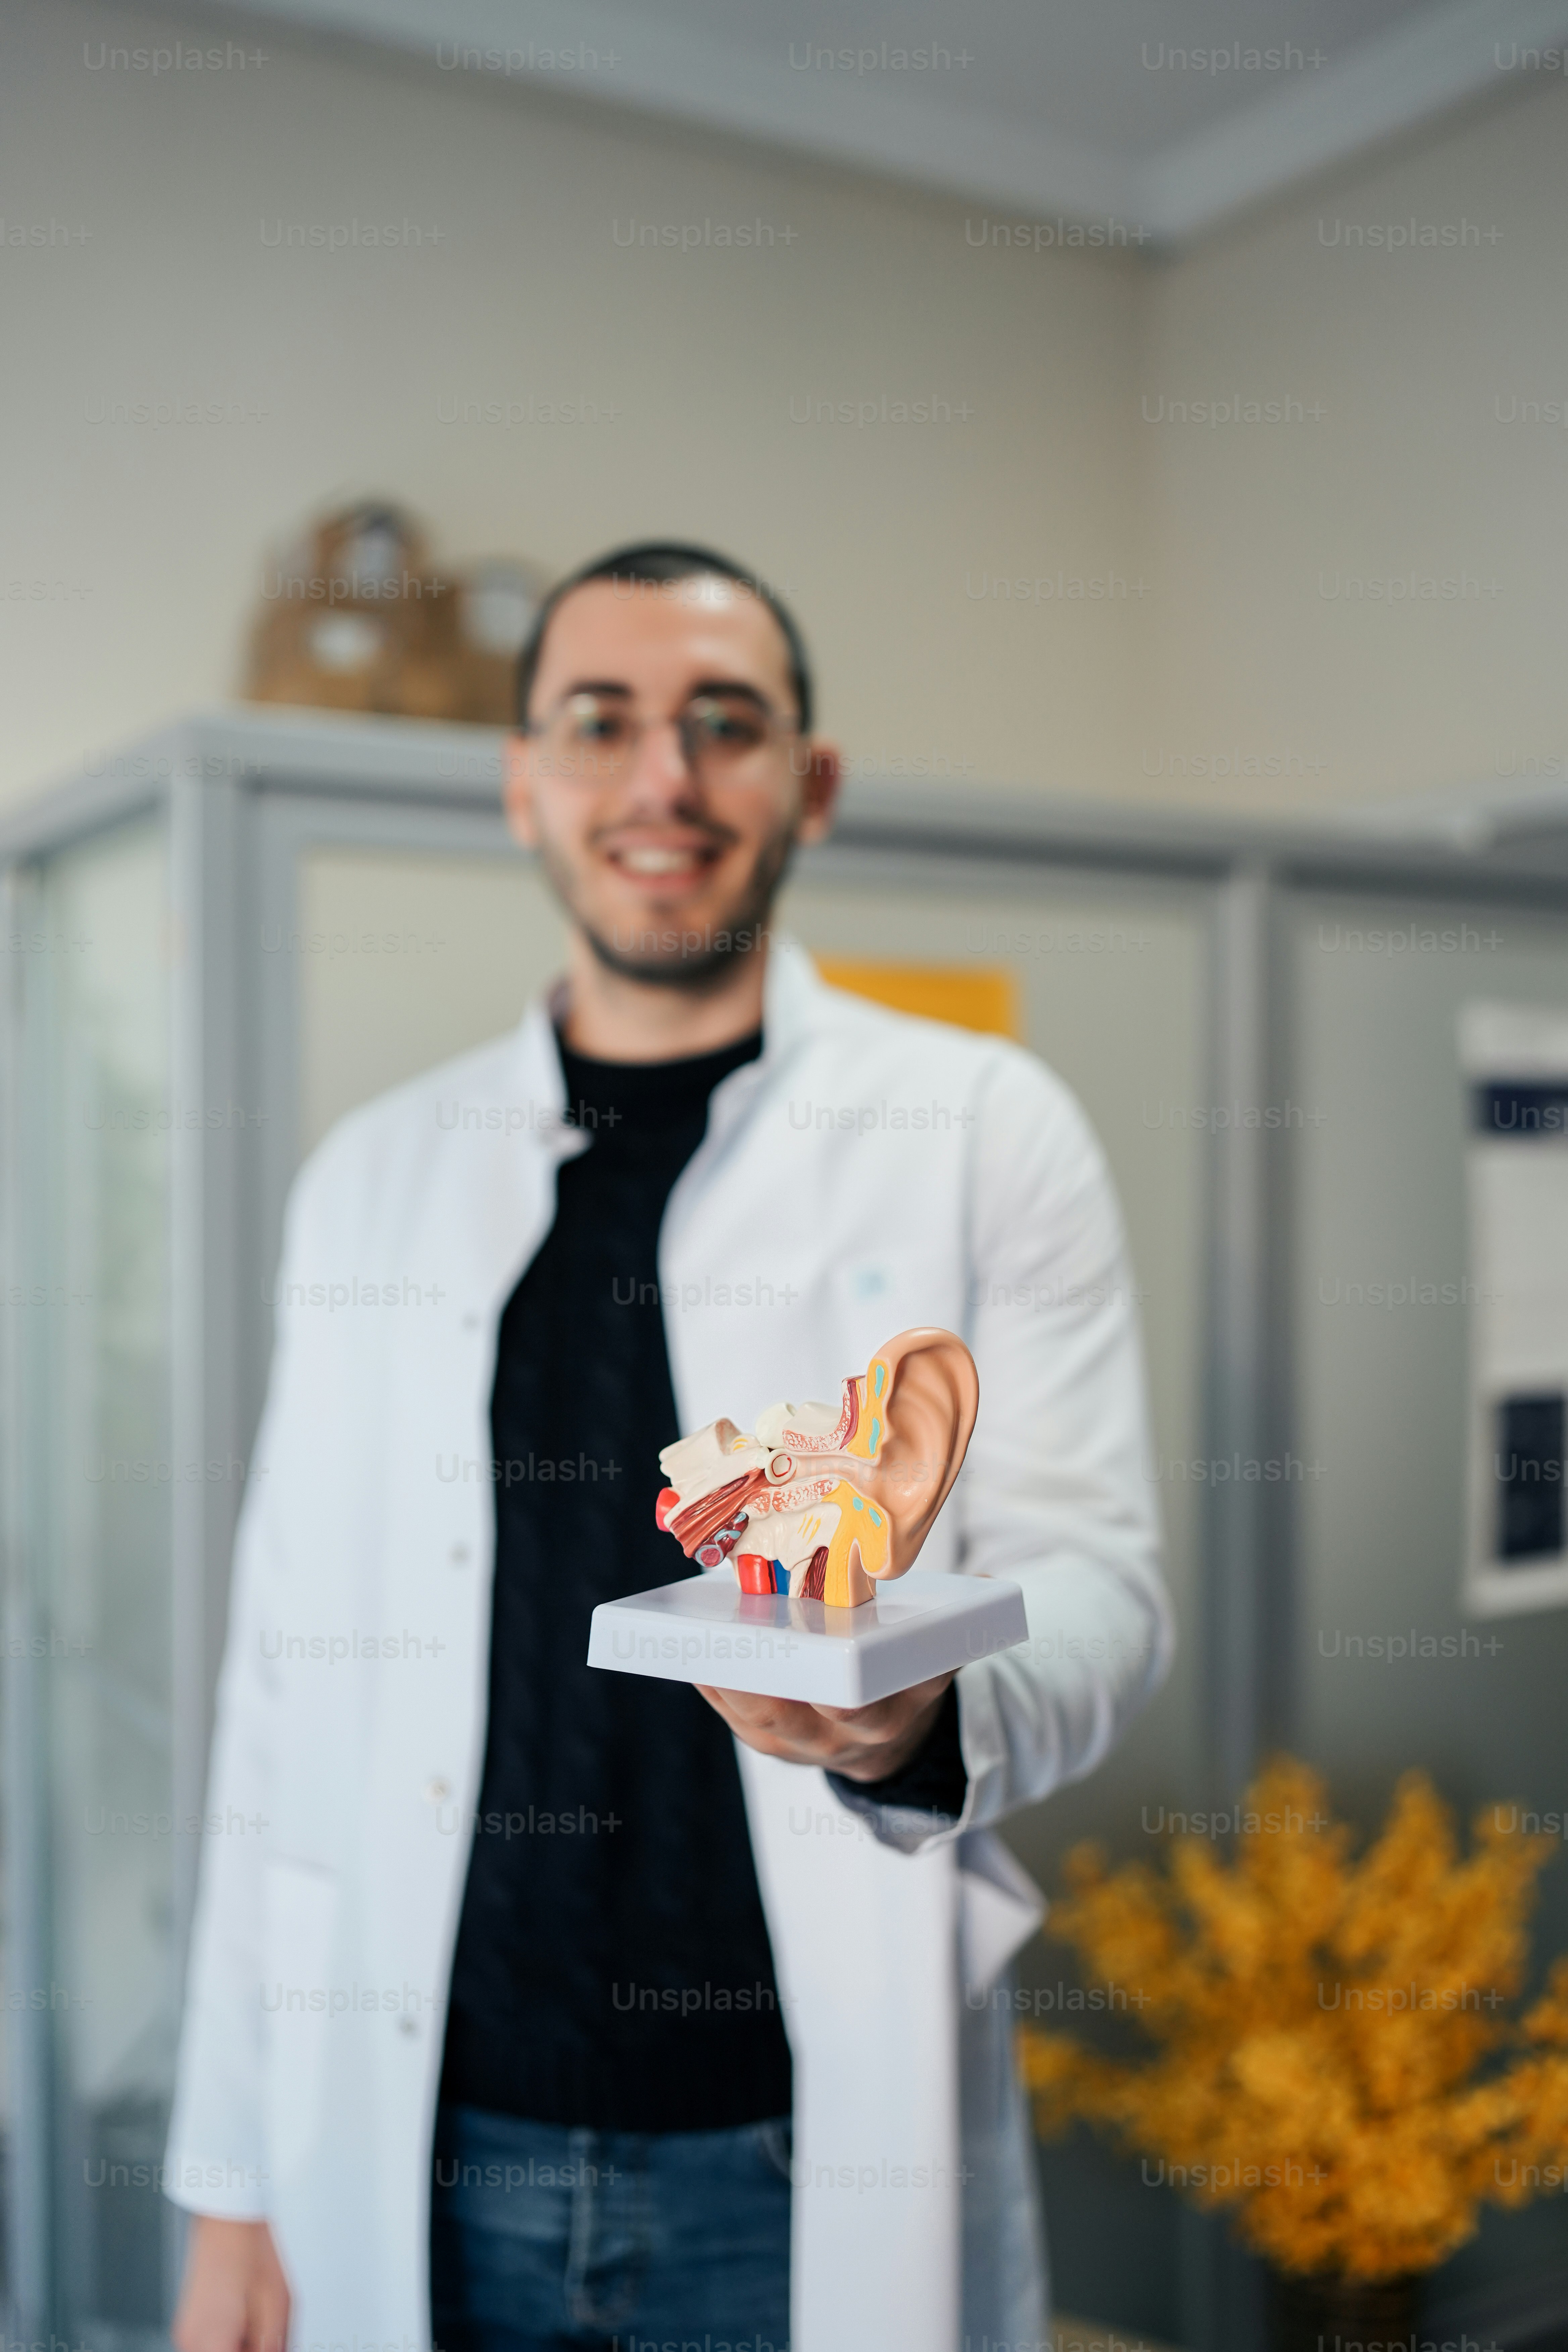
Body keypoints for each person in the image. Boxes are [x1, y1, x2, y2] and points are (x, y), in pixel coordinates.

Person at [166, 542, 1173, 2352]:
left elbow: (1107, 1591)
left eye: (728, 724)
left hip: (789, 2148)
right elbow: (278, 1695)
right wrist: (234, 2176)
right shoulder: (370, 1181)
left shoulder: (983, 1129)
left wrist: (915, 1717)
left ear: (816, 781)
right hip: (423, 2140)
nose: (664, 782)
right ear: (523, 782)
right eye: (601, 723)